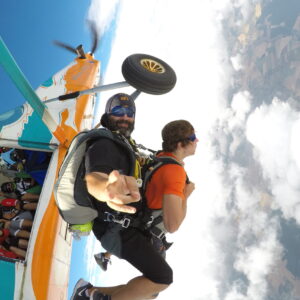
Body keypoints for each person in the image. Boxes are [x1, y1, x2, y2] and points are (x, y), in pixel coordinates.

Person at [71, 115, 197, 300]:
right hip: (120, 231)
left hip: (124, 226)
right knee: (162, 278)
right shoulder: (175, 172)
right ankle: (88, 292)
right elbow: (172, 225)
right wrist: (185, 195)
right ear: (180, 144)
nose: (197, 141)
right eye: (193, 138)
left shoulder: (160, 159)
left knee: (150, 290)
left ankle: (87, 292)